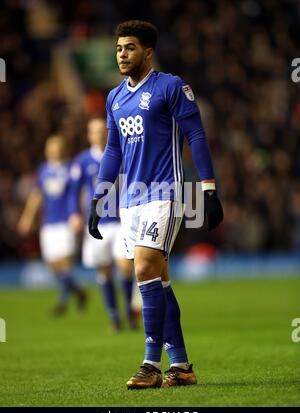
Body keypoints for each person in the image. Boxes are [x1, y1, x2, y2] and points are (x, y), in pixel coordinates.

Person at [88, 20, 223, 389]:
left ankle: (150, 363)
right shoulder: (114, 97)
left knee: (144, 268)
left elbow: (196, 133)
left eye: (129, 48)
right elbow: (113, 150)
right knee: (159, 282)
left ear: (147, 52)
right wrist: (99, 196)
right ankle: (180, 366)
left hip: (165, 193)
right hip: (130, 200)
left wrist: (208, 189)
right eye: (118, 48)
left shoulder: (172, 87)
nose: (122, 54)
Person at [68, 117, 138, 331]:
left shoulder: (121, 155)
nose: (98, 134)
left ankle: (129, 310)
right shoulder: (81, 161)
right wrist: (74, 214)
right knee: (104, 270)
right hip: (97, 221)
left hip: (120, 220)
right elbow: (74, 190)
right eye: (94, 131)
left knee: (125, 267)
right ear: (89, 135)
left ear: (107, 132)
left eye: (102, 130)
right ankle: (114, 317)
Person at [17, 135, 87, 315]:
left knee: (64, 262)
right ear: (47, 150)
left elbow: (79, 193)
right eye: (51, 148)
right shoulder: (43, 170)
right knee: (52, 264)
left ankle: (62, 303)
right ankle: (79, 293)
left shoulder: (71, 168)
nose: (54, 151)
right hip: (48, 223)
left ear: (63, 149)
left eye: (57, 147)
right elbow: (37, 195)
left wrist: (79, 214)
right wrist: (27, 217)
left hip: (66, 221)